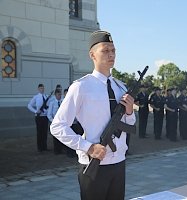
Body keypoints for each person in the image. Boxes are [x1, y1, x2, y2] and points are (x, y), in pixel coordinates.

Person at [50, 30, 136, 200]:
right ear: (92, 55)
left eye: (113, 50)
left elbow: (130, 124)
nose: (111, 54)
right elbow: (57, 126)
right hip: (93, 164)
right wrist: (88, 146)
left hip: (118, 162)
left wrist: (130, 111)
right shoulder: (81, 87)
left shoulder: (121, 87)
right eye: (105, 50)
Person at [27, 83, 50, 152]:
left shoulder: (46, 96)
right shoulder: (36, 97)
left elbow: (48, 105)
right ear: (38, 89)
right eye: (40, 88)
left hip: (45, 117)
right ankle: (40, 147)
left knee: (45, 132)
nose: (42, 89)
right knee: (39, 132)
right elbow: (29, 105)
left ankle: (44, 147)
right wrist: (35, 111)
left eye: (43, 88)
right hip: (39, 117)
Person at [47, 89, 64, 154]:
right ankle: (56, 150)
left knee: (62, 136)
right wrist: (53, 121)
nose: (59, 96)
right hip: (55, 122)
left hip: (62, 122)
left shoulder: (63, 102)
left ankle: (61, 149)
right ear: (55, 95)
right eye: (58, 94)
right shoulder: (52, 103)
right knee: (56, 137)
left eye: (60, 94)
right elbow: (49, 114)